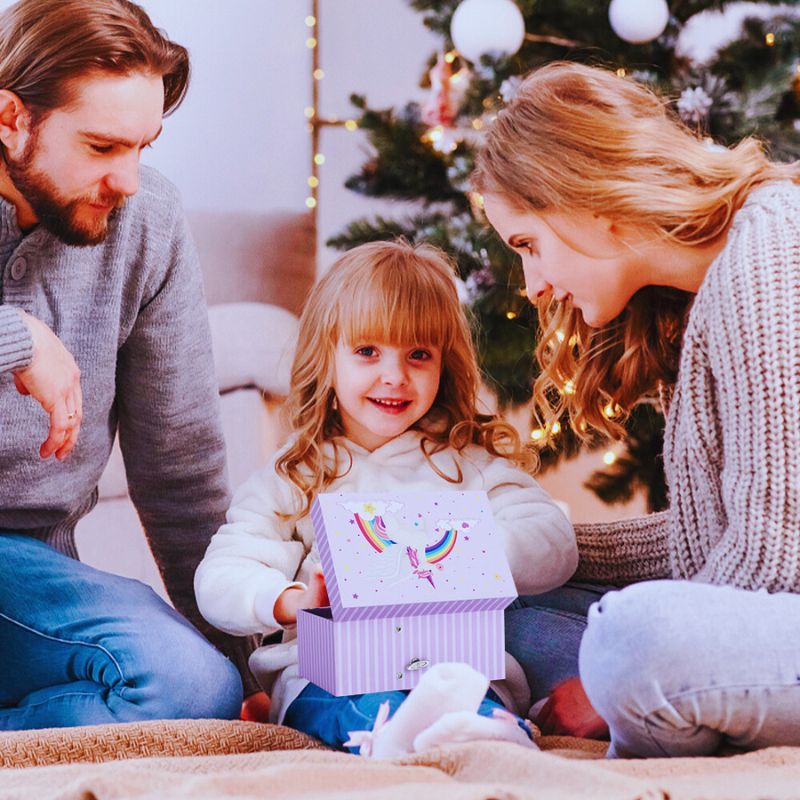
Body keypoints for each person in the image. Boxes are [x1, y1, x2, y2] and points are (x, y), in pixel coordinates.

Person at [472, 60, 800, 758]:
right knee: (516, 604)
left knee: (632, 639)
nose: (532, 286)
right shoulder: (704, 287)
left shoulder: (765, 254)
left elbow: (775, 561)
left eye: (529, 244)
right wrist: (542, 551)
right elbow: (711, 538)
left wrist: (603, 682)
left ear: (585, 195)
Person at [194, 240, 577, 755]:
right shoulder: (297, 474)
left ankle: (481, 735)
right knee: (345, 697)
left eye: (418, 354)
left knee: (466, 695)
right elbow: (222, 574)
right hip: (332, 674)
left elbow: (553, 541)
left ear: (445, 363)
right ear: (326, 358)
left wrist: (463, 552)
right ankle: (394, 735)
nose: (394, 376)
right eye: (368, 351)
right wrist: (291, 602)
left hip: (455, 665)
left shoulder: (466, 461)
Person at [0, 0, 245, 730]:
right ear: (11, 118)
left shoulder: (149, 223)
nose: (129, 180)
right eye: (103, 148)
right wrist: (17, 337)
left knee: (192, 689)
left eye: (144, 147)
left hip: (29, 578)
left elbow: (181, 470)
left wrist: (235, 658)